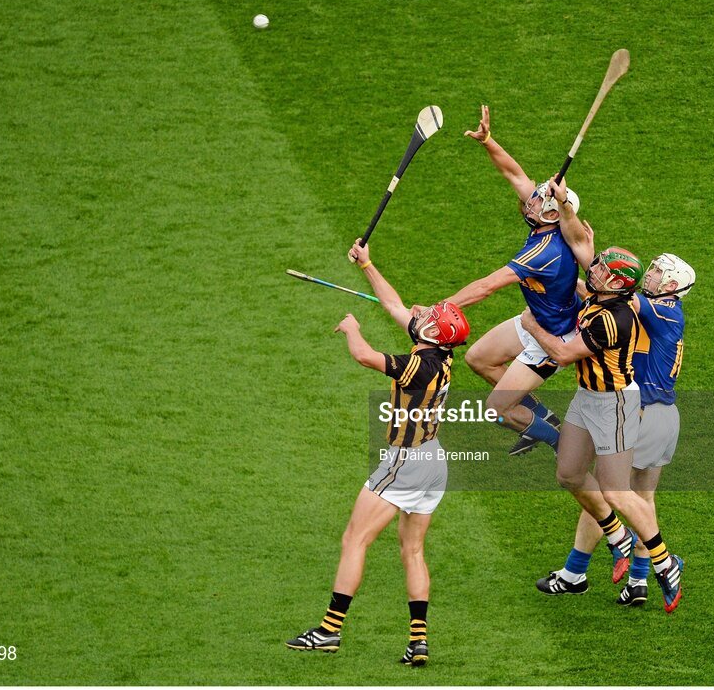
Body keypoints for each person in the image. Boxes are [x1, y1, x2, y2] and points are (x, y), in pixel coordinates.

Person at [285, 240, 470, 665]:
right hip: (433, 460)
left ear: (428, 332)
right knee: (413, 550)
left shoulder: (417, 364)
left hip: (405, 461)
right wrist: (367, 264)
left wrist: (352, 328)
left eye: (427, 315)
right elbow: (394, 304)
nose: (420, 310)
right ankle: (418, 642)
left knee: (355, 538)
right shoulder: (440, 355)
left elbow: (365, 356)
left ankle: (329, 631)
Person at [519, 215, 684, 612]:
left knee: (619, 491)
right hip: (587, 398)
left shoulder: (619, 316)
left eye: (603, 271)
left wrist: (531, 323)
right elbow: (583, 275)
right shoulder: (609, 296)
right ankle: (617, 539)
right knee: (569, 473)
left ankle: (663, 561)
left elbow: (561, 352)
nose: (593, 270)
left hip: (618, 404)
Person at [419, 105, 582, 457]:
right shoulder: (546, 220)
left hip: (552, 335)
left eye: (539, 199)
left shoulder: (544, 251)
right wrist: (488, 141)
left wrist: (437, 310)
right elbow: (515, 175)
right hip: (537, 317)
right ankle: (542, 416)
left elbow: (486, 286)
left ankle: (559, 441)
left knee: (497, 409)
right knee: (479, 359)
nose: (530, 199)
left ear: (553, 214)